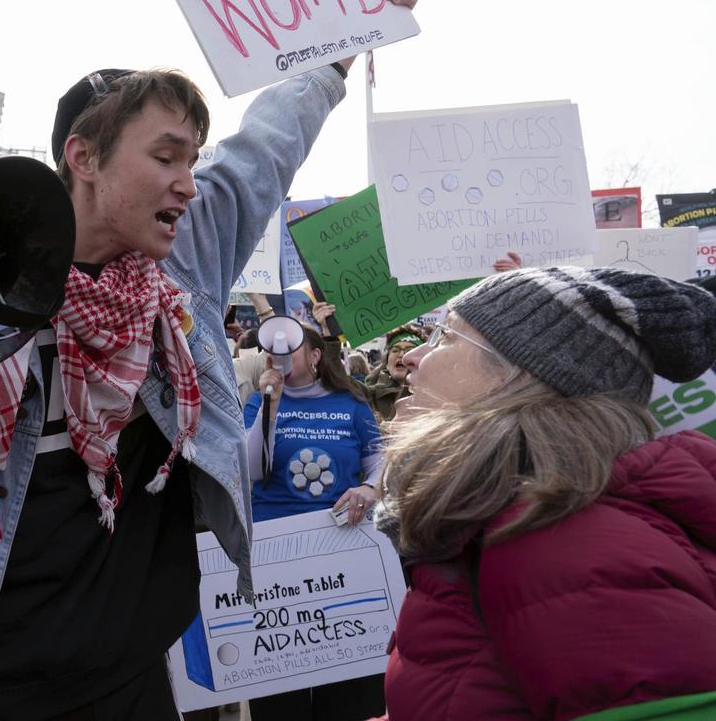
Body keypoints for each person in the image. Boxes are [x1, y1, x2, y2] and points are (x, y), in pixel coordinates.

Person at [0, 0, 418, 721]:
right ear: (83, 159)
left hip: (139, 682)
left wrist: (341, 42)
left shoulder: (180, 258)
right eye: (166, 156)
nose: (189, 182)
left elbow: (265, 150)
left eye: (193, 158)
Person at [373, 267, 716, 720]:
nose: (415, 355)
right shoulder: (512, 518)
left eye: (445, 336)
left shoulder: (566, 546)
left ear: (517, 376)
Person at [243, 323, 386, 720]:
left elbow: (377, 461)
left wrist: (370, 490)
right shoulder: (260, 402)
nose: (280, 355)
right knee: (279, 676)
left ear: (316, 356)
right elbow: (252, 469)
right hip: (276, 552)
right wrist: (269, 406)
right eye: (272, 350)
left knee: (345, 677)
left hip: (341, 546)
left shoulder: (351, 403)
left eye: (292, 348)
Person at [361, 325, 426, 421]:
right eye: (395, 350)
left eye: (409, 350)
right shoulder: (368, 395)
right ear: (386, 361)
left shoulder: (435, 396)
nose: (401, 355)